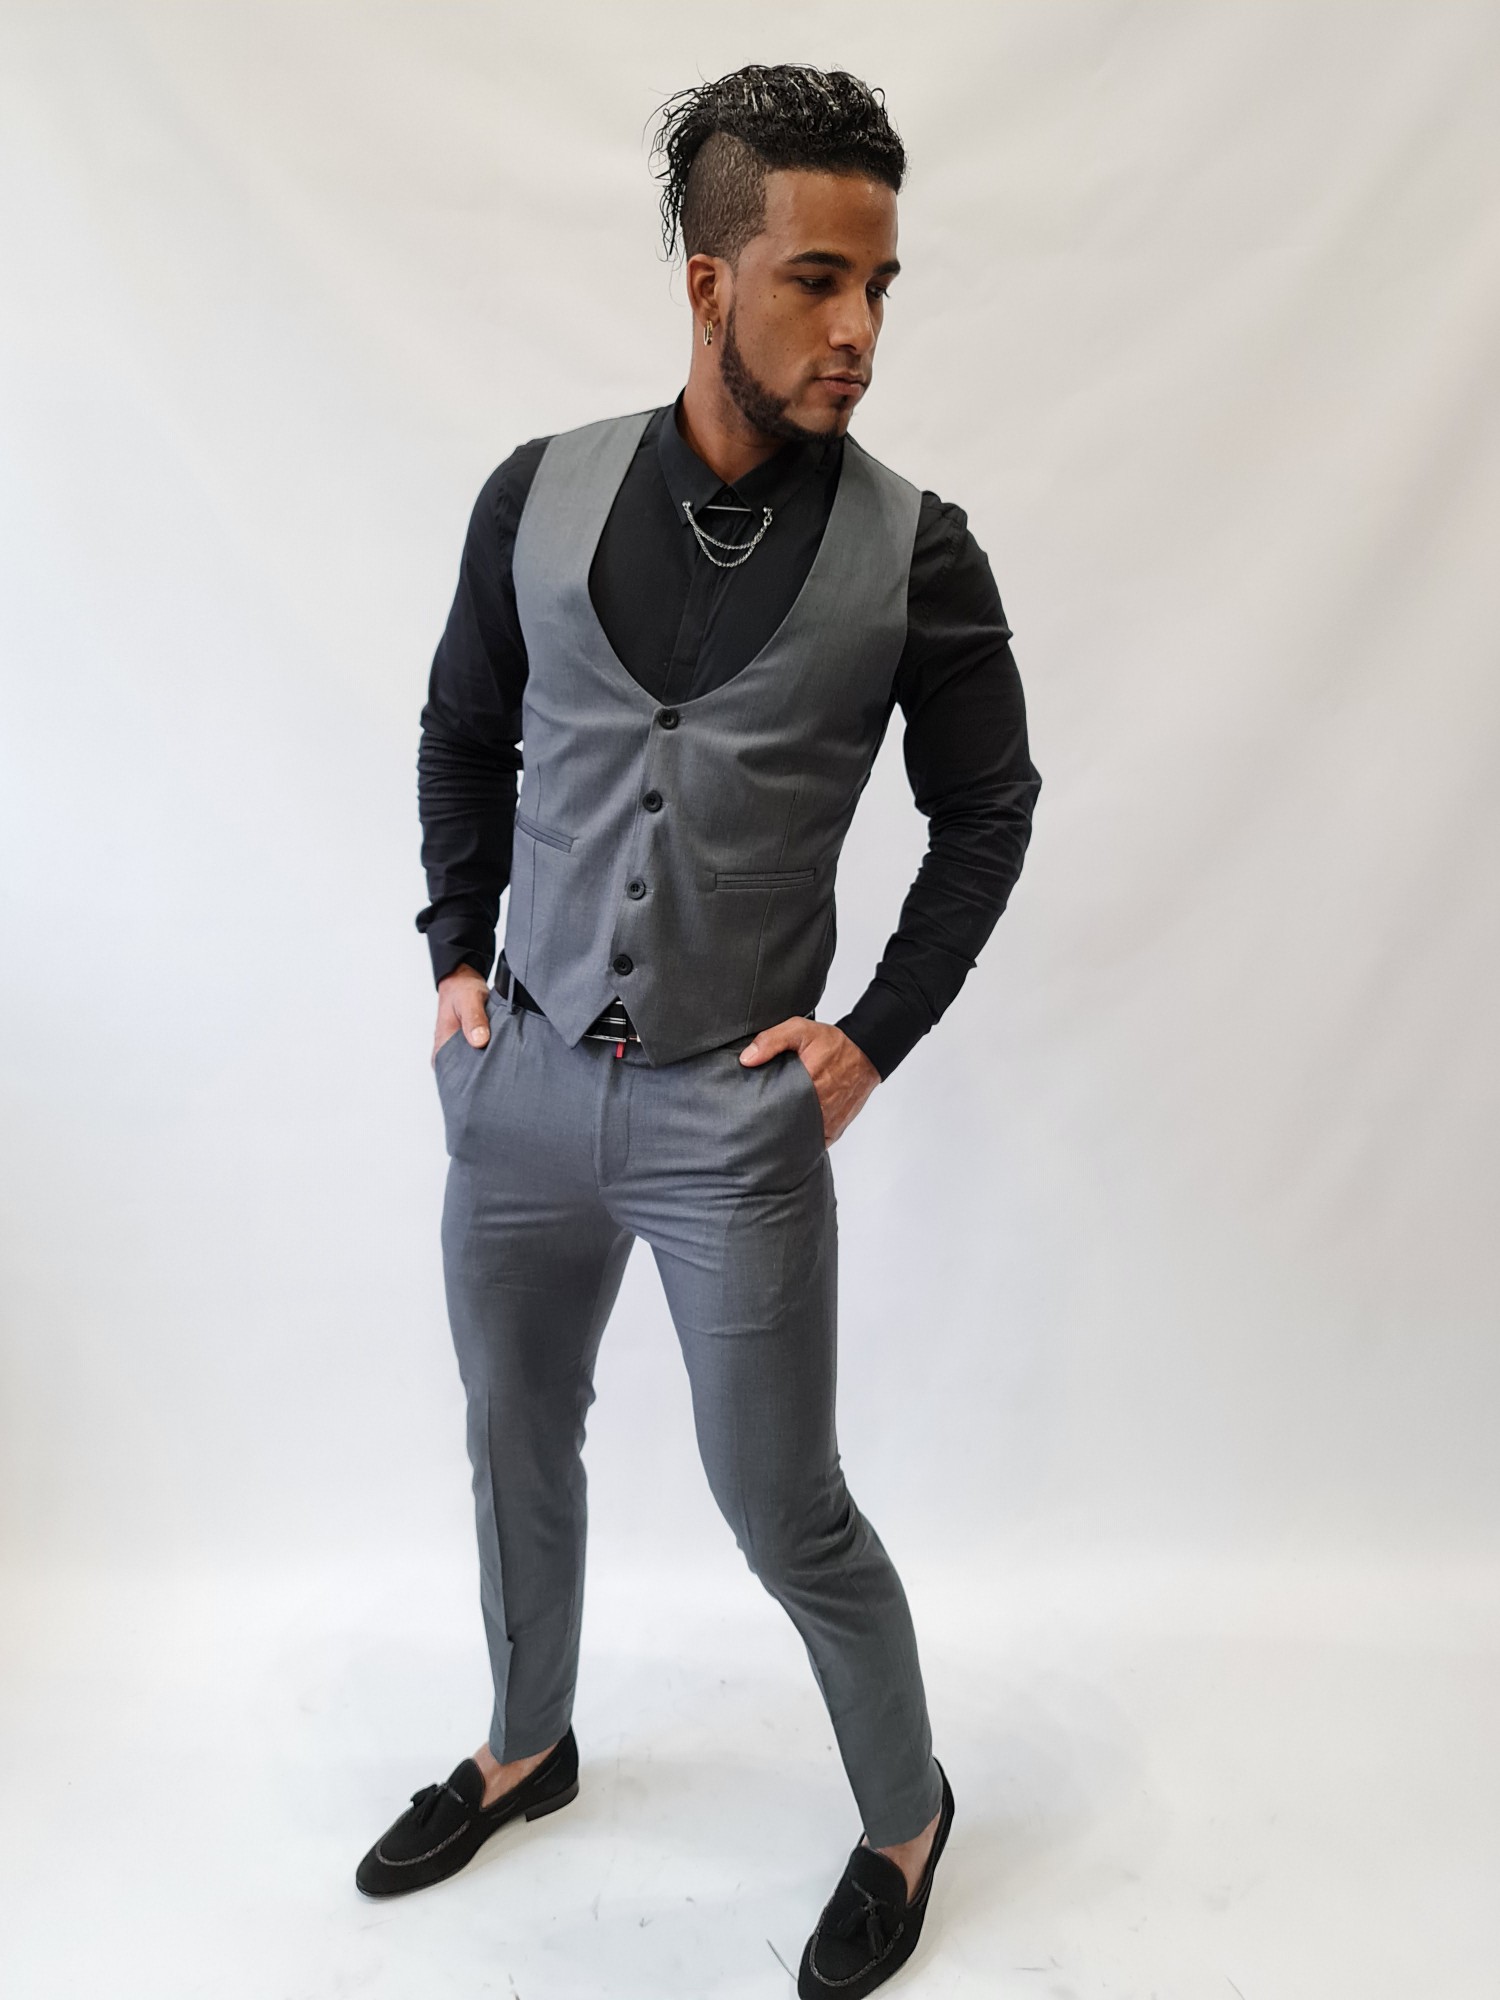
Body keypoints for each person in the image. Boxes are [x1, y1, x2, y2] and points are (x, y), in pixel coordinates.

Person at [356, 62, 1040, 1999]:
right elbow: (463, 728)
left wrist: (871, 1035)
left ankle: (904, 1819)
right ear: (707, 278)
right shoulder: (539, 490)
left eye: (881, 285)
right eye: (818, 278)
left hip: (733, 1120)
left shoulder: (918, 550)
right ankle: (525, 1744)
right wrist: (457, 950)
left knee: (783, 1508)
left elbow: (990, 811)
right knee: (513, 1435)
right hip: (520, 1083)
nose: (859, 328)